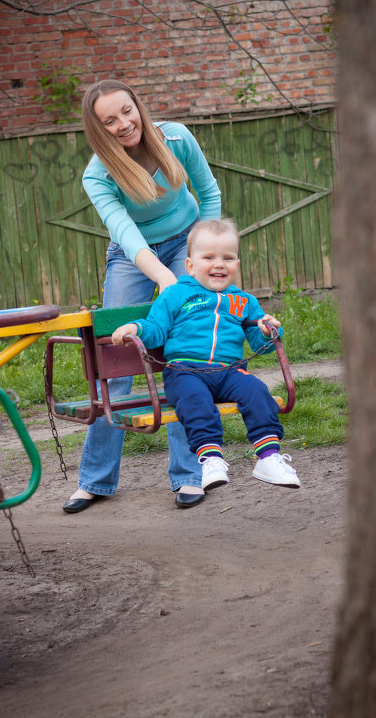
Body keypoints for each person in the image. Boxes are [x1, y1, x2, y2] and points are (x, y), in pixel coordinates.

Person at [62, 79, 222, 514]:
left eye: (126, 111)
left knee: (181, 354)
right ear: (98, 129)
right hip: (133, 255)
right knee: (114, 360)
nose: (123, 124)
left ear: (139, 106)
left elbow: (209, 194)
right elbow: (128, 236)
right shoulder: (98, 174)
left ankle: (190, 476)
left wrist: (199, 260)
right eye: (108, 120)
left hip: (187, 243)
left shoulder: (176, 138)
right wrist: (168, 283)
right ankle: (96, 481)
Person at [111, 219, 301, 491]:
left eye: (228, 257)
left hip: (228, 371)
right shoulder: (177, 294)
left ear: (237, 264)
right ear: (190, 265)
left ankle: (268, 458)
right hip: (185, 371)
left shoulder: (245, 301)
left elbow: (262, 343)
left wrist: (268, 331)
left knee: (257, 391)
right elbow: (156, 328)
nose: (219, 264)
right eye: (209, 257)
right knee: (195, 400)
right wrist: (135, 327)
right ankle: (211, 459)